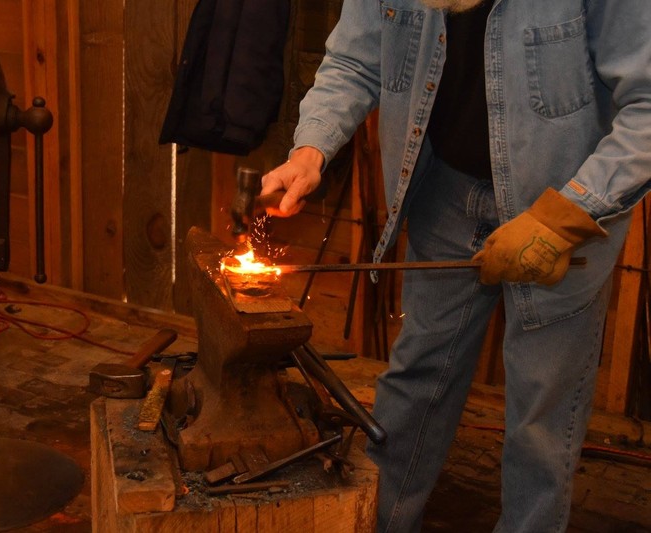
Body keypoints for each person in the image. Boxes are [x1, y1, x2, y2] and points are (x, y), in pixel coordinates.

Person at [260, 1, 651, 531]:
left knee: (544, 415)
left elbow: (647, 106)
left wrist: (567, 216)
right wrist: (311, 150)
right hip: (444, 192)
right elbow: (355, 60)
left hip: (564, 204)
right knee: (417, 379)